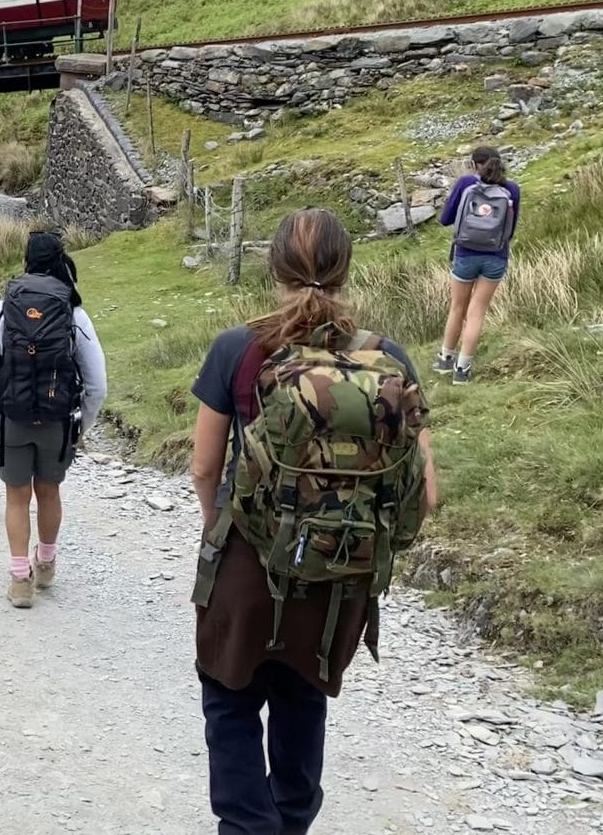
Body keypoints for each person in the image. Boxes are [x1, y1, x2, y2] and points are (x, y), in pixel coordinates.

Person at [187, 208, 437, 835]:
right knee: (303, 698)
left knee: (230, 699)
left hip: (246, 566)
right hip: (339, 573)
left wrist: (224, 533)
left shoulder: (237, 350)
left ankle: (248, 827)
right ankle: (290, 821)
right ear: (347, 271)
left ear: (273, 270)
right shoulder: (388, 359)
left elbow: (202, 467)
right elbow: (425, 492)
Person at [0, 231, 107, 609]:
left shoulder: (0, 309)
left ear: (25, 262)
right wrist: (80, 427)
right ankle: (45, 563)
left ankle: (20, 580)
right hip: (57, 421)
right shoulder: (73, 312)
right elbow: (97, 384)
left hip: (12, 417)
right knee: (49, 492)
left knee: (16, 497)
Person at [435, 146, 520, 385]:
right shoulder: (511, 189)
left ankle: (444, 360)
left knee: (457, 307)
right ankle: (462, 370)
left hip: (465, 254)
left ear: (474, 165)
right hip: (495, 256)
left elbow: (445, 219)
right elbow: (510, 230)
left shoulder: (465, 183)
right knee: (477, 311)